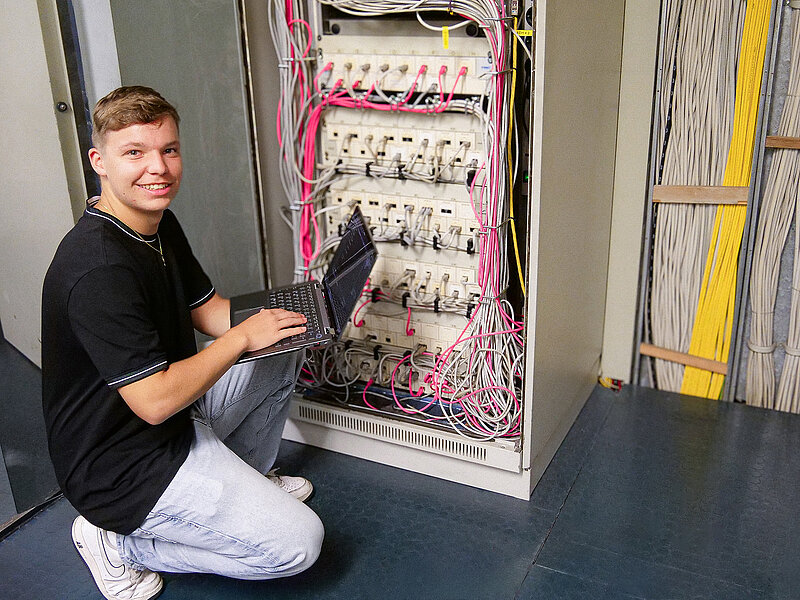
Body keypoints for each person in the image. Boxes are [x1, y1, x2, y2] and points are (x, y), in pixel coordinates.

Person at [41, 86, 324, 600]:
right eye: (135, 153)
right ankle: (118, 544)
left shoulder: (157, 223)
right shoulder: (97, 268)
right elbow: (154, 401)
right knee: (298, 546)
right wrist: (243, 336)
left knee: (282, 342)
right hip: (123, 466)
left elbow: (208, 310)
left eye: (168, 150)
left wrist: (293, 316)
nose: (159, 169)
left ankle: (252, 477)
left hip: (174, 421)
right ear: (98, 161)